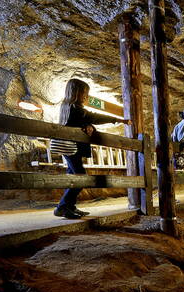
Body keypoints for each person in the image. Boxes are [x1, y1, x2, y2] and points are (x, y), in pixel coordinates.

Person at [54, 78, 130, 219]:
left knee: (73, 175)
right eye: (84, 93)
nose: (86, 97)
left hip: (68, 146)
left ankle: (69, 206)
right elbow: (92, 117)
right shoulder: (75, 108)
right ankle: (62, 207)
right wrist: (117, 120)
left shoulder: (67, 106)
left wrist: (89, 125)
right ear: (76, 92)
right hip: (70, 146)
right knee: (80, 175)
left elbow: (83, 121)